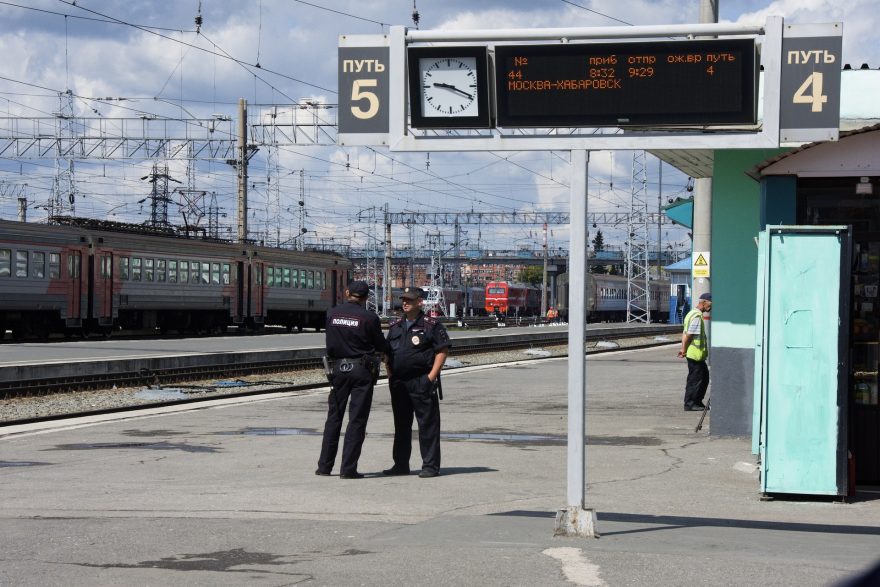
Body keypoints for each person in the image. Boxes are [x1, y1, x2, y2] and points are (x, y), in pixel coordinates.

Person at [316, 280, 386, 479]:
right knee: (356, 420)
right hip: (361, 371)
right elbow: (380, 344)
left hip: (337, 369)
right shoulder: (369, 317)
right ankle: (348, 469)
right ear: (365, 298)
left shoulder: (331, 313)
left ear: (347, 292)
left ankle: (324, 467)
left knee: (333, 418)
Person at [383, 287, 450, 478]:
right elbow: (387, 353)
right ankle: (400, 464)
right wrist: (390, 374)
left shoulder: (431, 325)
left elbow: (442, 351)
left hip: (421, 381)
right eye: (403, 299)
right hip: (399, 383)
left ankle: (430, 466)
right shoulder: (395, 325)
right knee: (401, 426)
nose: (405, 303)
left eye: (409, 300)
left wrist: (431, 377)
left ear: (420, 302)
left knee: (427, 426)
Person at [678, 292, 712, 411]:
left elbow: (684, 333)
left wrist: (683, 349)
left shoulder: (690, 314)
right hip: (695, 354)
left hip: (694, 354)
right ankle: (690, 403)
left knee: (703, 377)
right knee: (696, 379)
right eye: (710, 304)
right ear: (703, 302)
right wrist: (683, 349)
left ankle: (696, 401)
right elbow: (689, 335)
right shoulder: (697, 317)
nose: (711, 307)